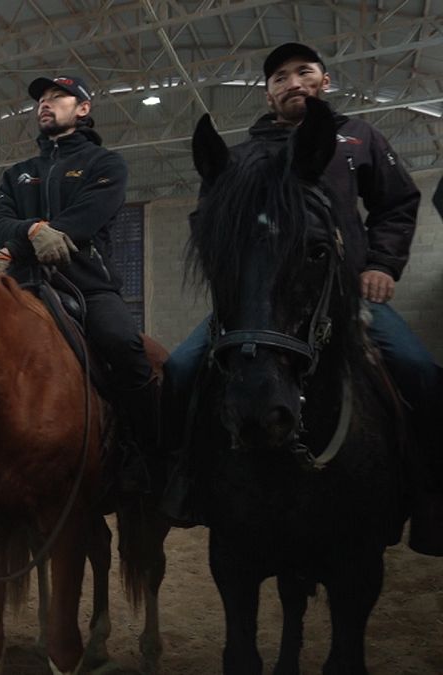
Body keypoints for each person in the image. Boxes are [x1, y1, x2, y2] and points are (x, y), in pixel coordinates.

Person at [164, 43, 441, 541]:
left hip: (346, 295)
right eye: (279, 77)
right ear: (268, 94)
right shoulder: (242, 156)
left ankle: (430, 493)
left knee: (418, 369)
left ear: (324, 81)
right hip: (257, 303)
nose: (292, 82)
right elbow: (207, 221)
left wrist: (381, 264)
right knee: (181, 368)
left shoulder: (359, 138)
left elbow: (396, 202)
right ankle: (182, 478)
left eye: (303, 71)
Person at [0, 74, 157, 490]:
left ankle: (152, 457)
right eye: (41, 100)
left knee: (125, 345)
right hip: (22, 287)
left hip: (87, 285)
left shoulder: (106, 164)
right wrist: (32, 231)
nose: (45, 104)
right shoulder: (17, 174)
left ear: (83, 109)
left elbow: (87, 218)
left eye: (57, 97)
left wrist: (20, 242)